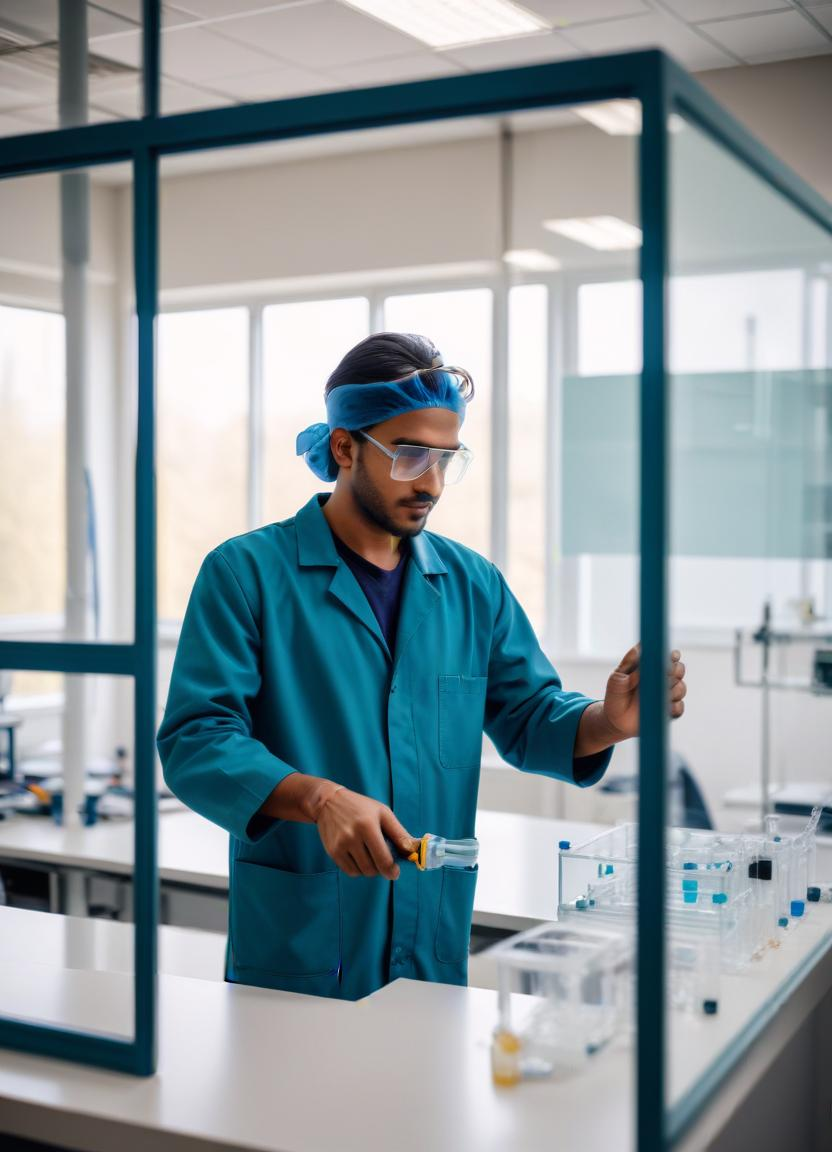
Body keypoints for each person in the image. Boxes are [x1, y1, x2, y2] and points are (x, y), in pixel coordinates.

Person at [157, 332, 687, 1001]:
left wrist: (607, 722)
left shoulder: (472, 585)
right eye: (410, 457)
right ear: (345, 448)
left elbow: (528, 718)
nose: (432, 484)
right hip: (303, 944)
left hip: (430, 939)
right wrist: (318, 798)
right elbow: (196, 740)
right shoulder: (248, 574)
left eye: (447, 459)